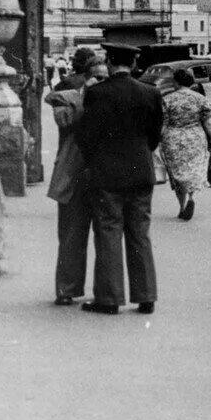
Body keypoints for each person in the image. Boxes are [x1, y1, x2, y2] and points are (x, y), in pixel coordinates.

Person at [76, 43, 163, 315]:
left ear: (110, 62)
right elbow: (154, 135)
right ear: (133, 64)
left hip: (107, 173)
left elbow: (86, 135)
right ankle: (146, 296)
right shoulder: (151, 93)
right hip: (141, 172)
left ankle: (109, 299)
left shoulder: (96, 93)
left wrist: (95, 161)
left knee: (109, 233)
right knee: (140, 233)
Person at [44, 56, 107, 305]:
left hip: (104, 174)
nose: (102, 83)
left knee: (106, 237)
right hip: (73, 175)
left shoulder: (113, 99)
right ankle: (66, 290)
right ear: (86, 77)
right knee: (71, 236)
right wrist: (86, 97)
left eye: (106, 78)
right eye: (97, 78)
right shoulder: (67, 98)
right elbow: (64, 120)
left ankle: (104, 292)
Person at [160, 68, 211, 221]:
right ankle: (192, 197)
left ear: (176, 82)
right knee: (193, 170)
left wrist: (159, 141)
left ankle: (182, 206)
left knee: (177, 173)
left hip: (173, 138)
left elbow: (163, 124)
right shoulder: (200, 98)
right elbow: (208, 122)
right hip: (196, 137)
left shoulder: (168, 99)